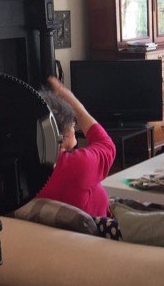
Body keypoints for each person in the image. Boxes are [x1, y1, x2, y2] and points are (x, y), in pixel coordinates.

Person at [38, 76, 116, 217]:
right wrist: (71, 100)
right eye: (73, 122)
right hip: (99, 235)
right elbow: (107, 145)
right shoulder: (74, 165)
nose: (74, 126)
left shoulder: (24, 168)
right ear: (62, 133)